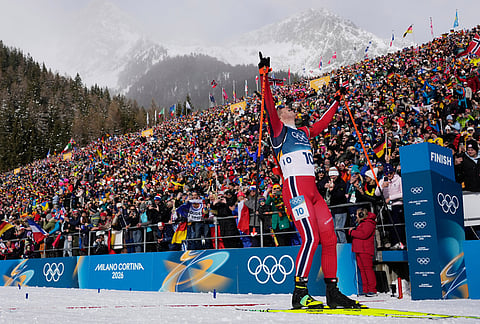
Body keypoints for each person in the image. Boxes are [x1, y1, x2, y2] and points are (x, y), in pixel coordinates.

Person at [259, 53, 360, 309]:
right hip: (295, 188)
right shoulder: (278, 131)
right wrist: (264, 79)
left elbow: (323, 122)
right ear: (280, 115)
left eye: (290, 106)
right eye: (285, 107)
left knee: (329, 239)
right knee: (310, 238)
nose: (289, 107)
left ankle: (332, 291)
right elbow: (269, 106)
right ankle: (299, 293)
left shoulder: (304, 132)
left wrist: (337, 101)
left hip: (313, 191)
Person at [348, 208, 377, 297]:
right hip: (359, 249)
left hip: (365, 250)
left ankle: (372, 289)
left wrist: (352, 232)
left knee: (367, 269)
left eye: (357, 214)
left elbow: (363, 235)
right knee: (362, 270)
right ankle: (365, 289)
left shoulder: (369, 223)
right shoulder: (361, 224)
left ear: (361, 214)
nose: (356, 216)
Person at [375, 163, 405, 249]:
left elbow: (402, 193)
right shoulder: (383, 181)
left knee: (397, 224)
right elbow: (376, 193)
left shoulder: (399, 179)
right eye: (387, 174)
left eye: (391, 173)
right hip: (387, 207)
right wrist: (382, 186)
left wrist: (390, 198)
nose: (389, 175)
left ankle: (400, 242)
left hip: (397, 204)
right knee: (390, 225)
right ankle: (393, 242)